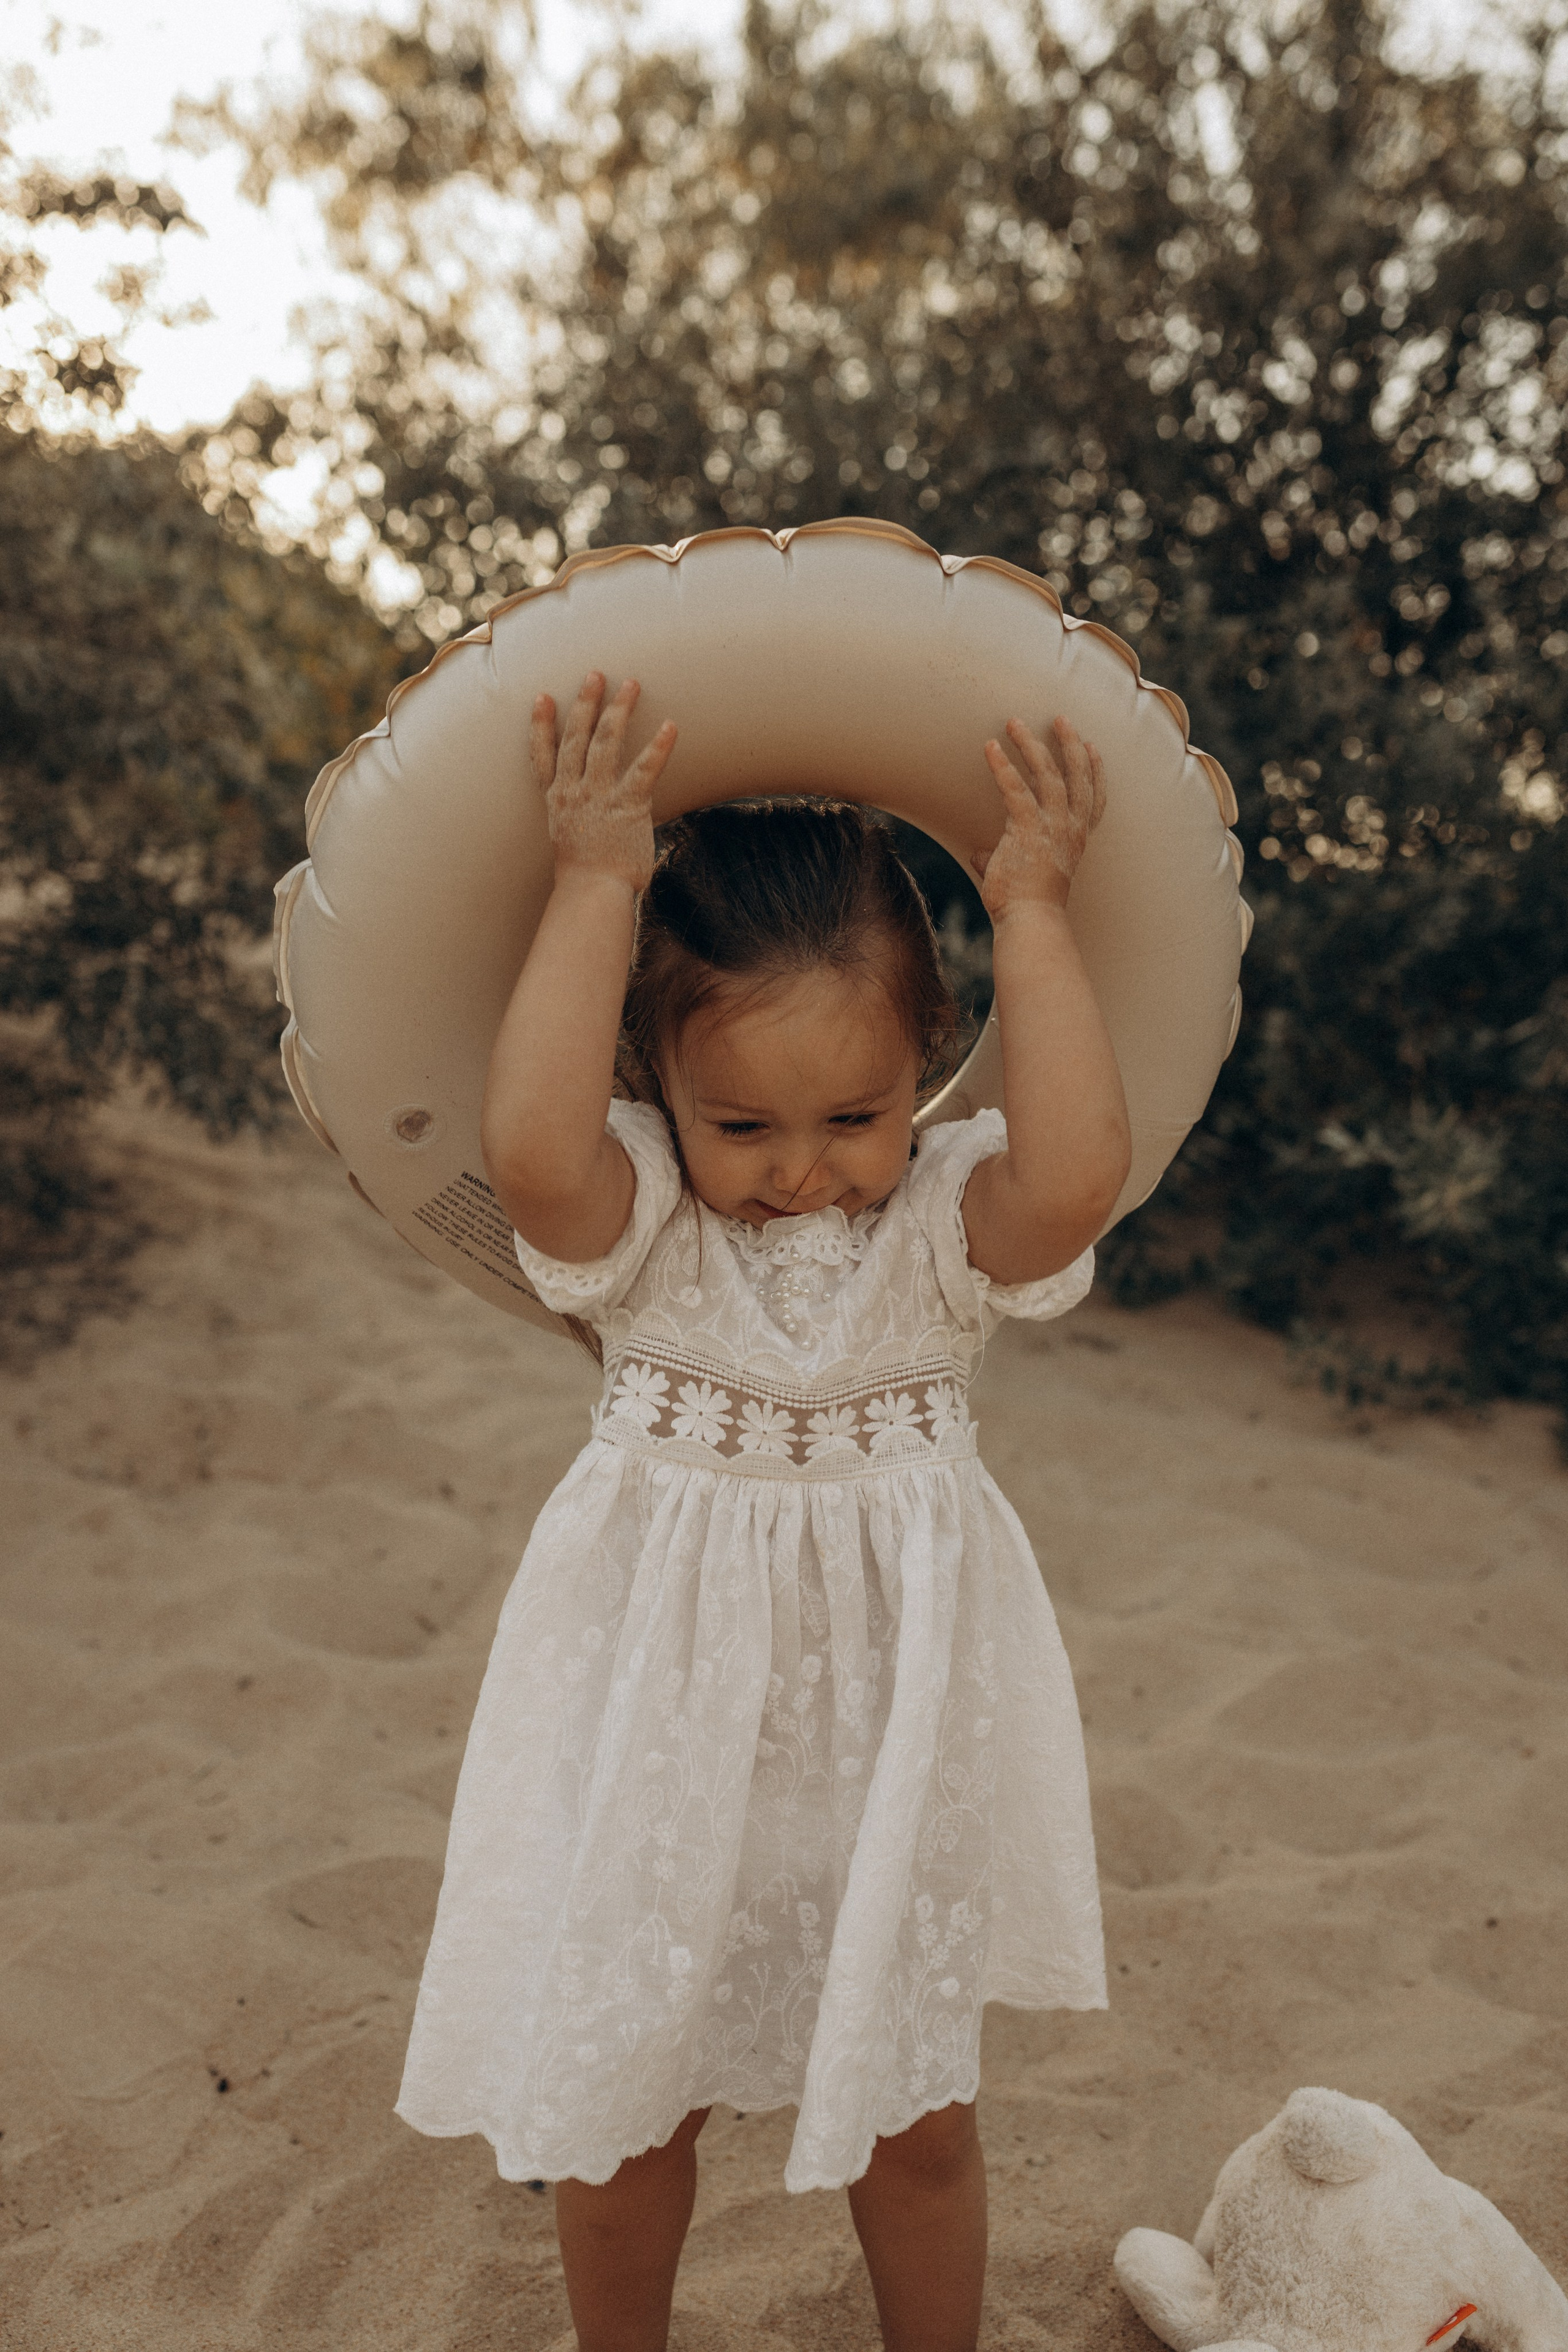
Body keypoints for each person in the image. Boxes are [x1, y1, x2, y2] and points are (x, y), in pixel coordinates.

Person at [396, 669, 1131, 2352]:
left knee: (920, 2121)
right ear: (655, 1082)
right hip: (660, 1752)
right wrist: (597, 882)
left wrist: (1030, 907)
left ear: (930, 1068)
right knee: (630, 2113)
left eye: (855, 1116)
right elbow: (523, 1146)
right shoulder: (641, 1219)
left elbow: (1081, 1170)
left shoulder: (948, 1224)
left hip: (878, 1758)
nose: (804, 1169)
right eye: (745, 1122)